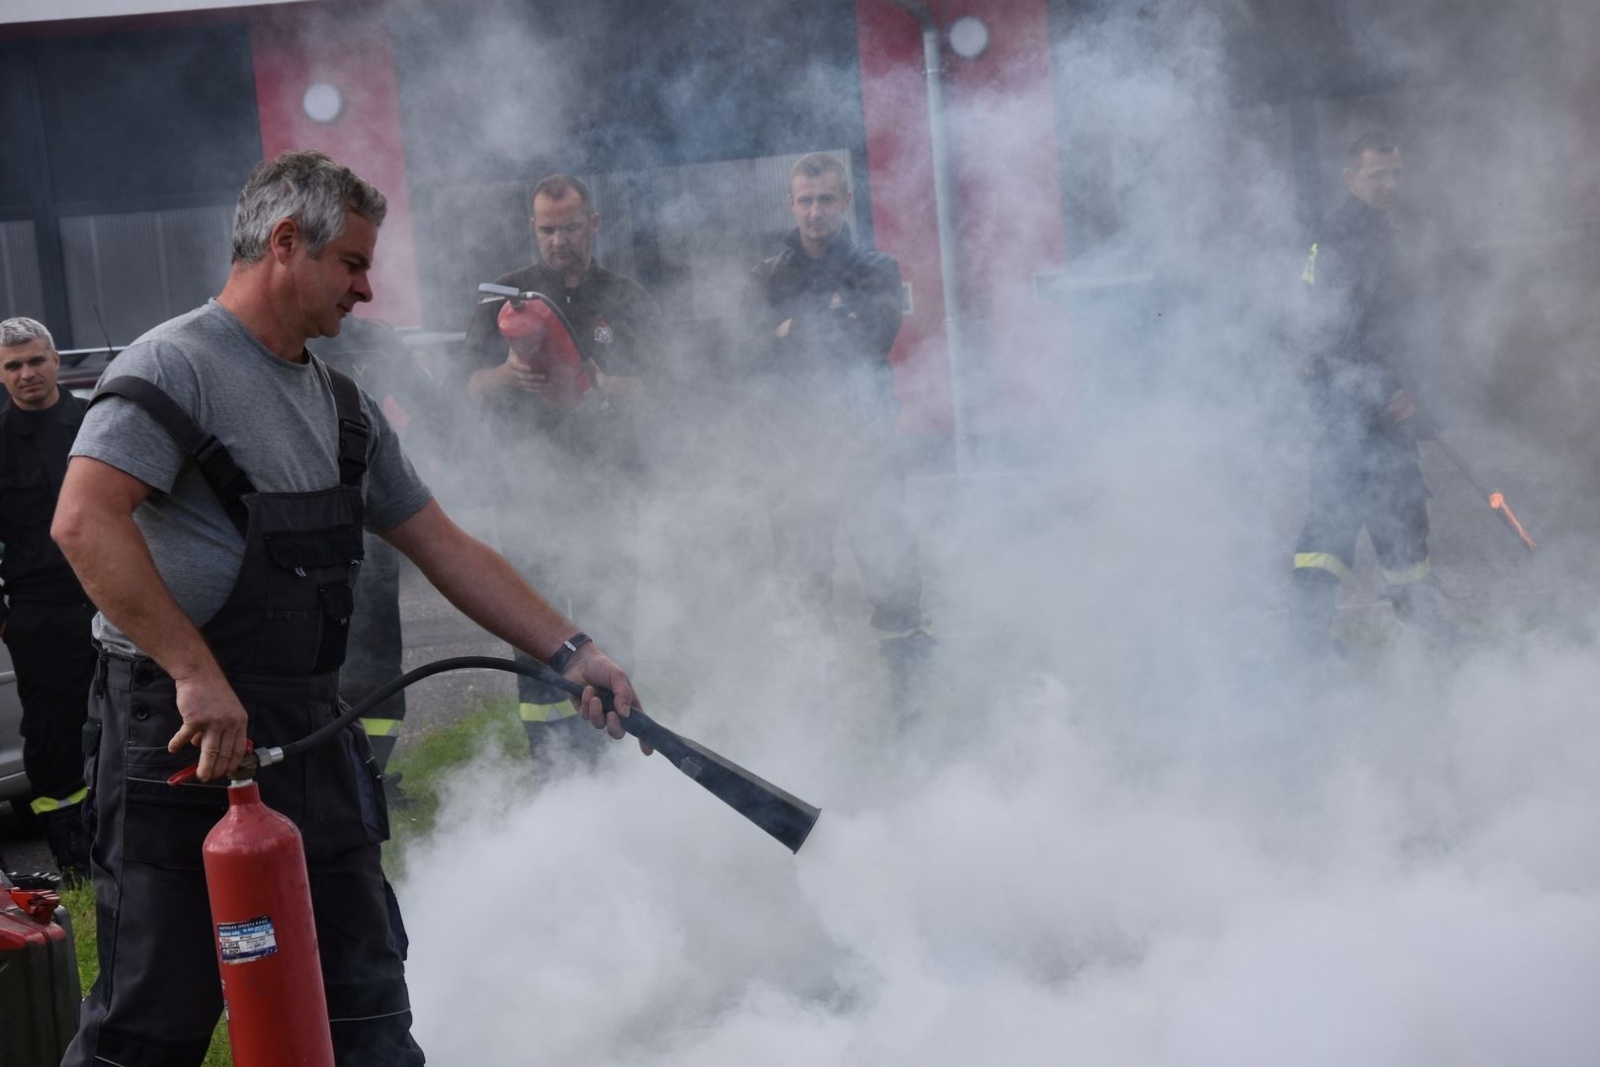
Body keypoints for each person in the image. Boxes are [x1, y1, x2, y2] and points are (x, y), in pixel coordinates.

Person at [51, 150, 644, 1067]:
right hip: (173, 737)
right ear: (285, 243)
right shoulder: (174, 365)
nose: (368, 290)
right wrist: (196, 675)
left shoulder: (342, 404)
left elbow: (445, 545)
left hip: (308, 736)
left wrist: (572, 650)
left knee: (364, 1009)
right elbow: (85, 521)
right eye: (355, 264)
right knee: (150, 1020)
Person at [462, 173, 656, 768]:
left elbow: (668, 390)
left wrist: (606, 386)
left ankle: (617, 752)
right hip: (527, 492)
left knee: (611, 615)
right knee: (536, 633)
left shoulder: (626, 298)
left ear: (593, 225)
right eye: (547, 229)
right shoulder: (505, 299)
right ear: (533, 229)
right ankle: (552, 762)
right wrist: (502, 377)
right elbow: (466, 389)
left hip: (607, 487)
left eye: (570, 227)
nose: (559, 240)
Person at [745, 152, 932, 705]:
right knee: (803, 592)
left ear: (845, 201)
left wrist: (789, 330)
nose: (815, 211)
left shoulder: (875, 269)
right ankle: (817, 716)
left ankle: (912, 709)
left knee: (893, 581)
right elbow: (749, 351)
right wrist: (821, 321)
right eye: (805, 199)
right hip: (795, 456)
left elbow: (870, 337)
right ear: (790, 203)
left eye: (826, 198)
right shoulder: (768, 274)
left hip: (866, 452)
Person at [1289, 131, 1446, 651]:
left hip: (1380, 411)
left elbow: (1387, 328)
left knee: (1400, 520)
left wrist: (1411, 392)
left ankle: (1422, 638)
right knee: (1330, 532)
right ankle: (1306, 648)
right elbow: (1326, 335)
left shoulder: (1379, 233)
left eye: (1396, 172)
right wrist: (1385, 393)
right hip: (1346, 413)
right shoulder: (1342, 240)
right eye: (1378, 174)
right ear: (1351, 178)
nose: (1390, 183)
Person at [311, 317, 439, 784]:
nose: (355, 289)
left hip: (368, 524)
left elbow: (430, 406)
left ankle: (373, 774)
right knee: (315, 655)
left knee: (378, 654)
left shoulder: (377, 341)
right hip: (300, 531)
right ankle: (327, 774)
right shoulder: (275, 340)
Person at [0, 317, 96, 884]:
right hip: (39, 612)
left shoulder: (94, 423)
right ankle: (74, 861)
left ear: (56, 360)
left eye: (35, 360)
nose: (26, 373)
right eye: (13, 365)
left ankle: (137, 844)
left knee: (133, 723)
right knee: (53, 739)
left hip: (112, 601)